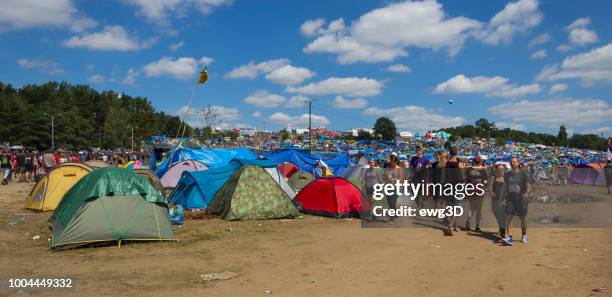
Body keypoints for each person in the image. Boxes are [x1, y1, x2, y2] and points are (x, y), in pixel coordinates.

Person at [502, 157, 532, 246]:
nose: (513, 164)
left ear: (518, 163)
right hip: (510, 198)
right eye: (511, 162)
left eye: (514, 162)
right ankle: (510, 238)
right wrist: (503, 198)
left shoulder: (524, 173)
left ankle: (524, 235)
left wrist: (526, 193)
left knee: (522, 218)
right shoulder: (507, 174)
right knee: (509, 218)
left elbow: (528, 185)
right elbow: (505, 187)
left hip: (521, 198)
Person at [444, 147, 464, 236]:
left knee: (450, 207)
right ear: (457, 153)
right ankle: (450, 225)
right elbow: (462, 177)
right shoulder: (460, 164)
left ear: (450, 152)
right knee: (457, 207)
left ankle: (455, 226)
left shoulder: (446, 163)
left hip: (448, 186)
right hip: (457, 186)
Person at [465, 155, 487, 232]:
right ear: (480, 161)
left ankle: (468, 223)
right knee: (479, 208)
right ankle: (477, 226)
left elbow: (466, 179)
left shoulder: (469, 169)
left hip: (471, 188)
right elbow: (485, 180)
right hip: (479, 188)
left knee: (472, 207)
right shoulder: (483, 169)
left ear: (474, 161)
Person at [384, 153, 405, 225]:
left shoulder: (399, 168)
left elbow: (401, 179)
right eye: (391, 161)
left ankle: (391, 218)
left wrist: (393, 180)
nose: (392, 163)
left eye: (393, 161)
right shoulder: (387, 168)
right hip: (388, 187)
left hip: (397, 188)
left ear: (396, 161)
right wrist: (387, 178)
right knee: (390, 203)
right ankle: (395, 213)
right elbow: (384, 176)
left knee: (392, 202)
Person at [488, 164, 507, 238]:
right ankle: (500, 228)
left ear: (504, 169)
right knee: (495, 212)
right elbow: (490, 187)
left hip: (503, 199)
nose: (501, 170)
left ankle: (503, 230)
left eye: (502, 169)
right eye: (499, 169)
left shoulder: (506, 177)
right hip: (495, 198)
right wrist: (492, 193)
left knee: (502, 214)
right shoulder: (494, 177)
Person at [410, 146, 430, 210]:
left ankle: (422, 205)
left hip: (422, 178)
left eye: (419, 150)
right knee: (414, 194)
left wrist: (427, 166)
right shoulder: (413, 159)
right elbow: (411, 169)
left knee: (421, 193)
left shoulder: (425, 159)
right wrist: (410, 177)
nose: (417, 151)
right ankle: (419, 204)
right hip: (415, 178)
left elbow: (429, 167)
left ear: (422, 151)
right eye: (416, 150)